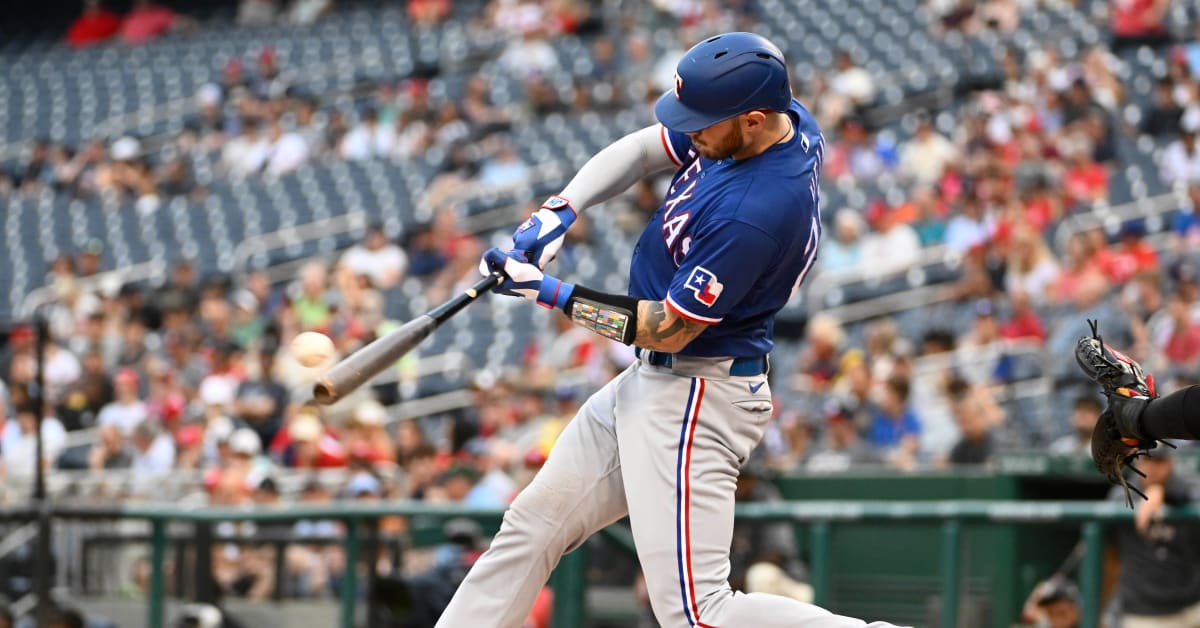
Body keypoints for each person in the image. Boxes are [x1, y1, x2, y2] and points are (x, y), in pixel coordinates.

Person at [438, 32, 901, 628]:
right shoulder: (771, 119)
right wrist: (562, 210)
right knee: (531, 528)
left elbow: (666, 329)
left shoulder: (757, 210)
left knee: (697, 611)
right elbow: (644, 150)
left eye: (704, 124)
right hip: (654, 385)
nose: (692, 135)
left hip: (696, 393)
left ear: (755, 121)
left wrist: (546, 291)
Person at [1108, 448, 1200, 627]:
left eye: (1159, 462)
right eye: (1146, 460)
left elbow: (1195, 493)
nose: (1152, 468)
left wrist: (1164, 494)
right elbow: (1109, 555)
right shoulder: (1122, 493)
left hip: (1191, 608)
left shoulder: (1186, 485)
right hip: (1144, 613)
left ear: (1171, 461)